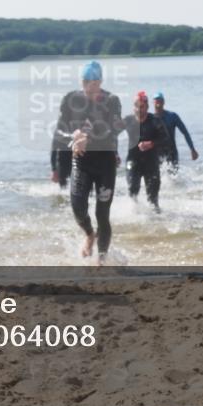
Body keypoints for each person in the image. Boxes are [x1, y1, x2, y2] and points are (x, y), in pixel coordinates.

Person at [53, 60, 125, 261]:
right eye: (86, 82)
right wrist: (74, 136)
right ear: (81, 81)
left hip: (105, 163)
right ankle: (89, 234)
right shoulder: (70, 99)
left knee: (102, 215)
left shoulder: (112, 100)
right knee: (78, 209)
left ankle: (101, 259)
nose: (90, 87)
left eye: (94, 82)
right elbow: (59, 129)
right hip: (81, 162)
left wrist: (89, 138)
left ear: (101, 81)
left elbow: (116, 128)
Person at [124, 91, 170, 210]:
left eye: (141, 106)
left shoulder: (155, 121)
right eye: (136, 106)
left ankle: (156, 221)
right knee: (132, 189)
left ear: (147, 107)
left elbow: (166, 138)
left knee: (153, 199)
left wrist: (151, 143)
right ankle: (134, 214)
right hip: (133, 161)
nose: (138, 109)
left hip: (151, 163)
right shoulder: (127, 120)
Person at [152, 92, 198, 170]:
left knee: (173, 178)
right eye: (156, 100)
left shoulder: (172, 116)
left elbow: (185, 132)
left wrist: (192, 149)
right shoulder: (150, 119)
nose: (158, 102)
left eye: (160, 100)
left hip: (172, 152)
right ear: (153, 102)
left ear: (164, 102)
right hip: (157, 153)